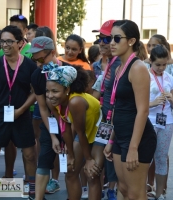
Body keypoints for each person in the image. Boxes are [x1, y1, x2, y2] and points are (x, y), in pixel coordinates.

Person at [103, 20, 157, 200]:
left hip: (138, 140)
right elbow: (118, 106)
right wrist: (111, 139)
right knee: (124, 189)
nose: (111, 43)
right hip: (120, 135)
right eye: (110, 38)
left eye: (117, 38)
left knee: (135, 193)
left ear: (131, 41)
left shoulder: (138, 68)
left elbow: (143, 111)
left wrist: (133, 147)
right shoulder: (119, 67)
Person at [0, 25, 37, 199]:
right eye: (2, 41)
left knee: (29, 155)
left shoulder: (29, 65)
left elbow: (35, 92)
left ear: (20, 43)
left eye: (9, 41)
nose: (4, 45)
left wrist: (21, 110)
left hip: (22, 116)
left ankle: (31, 189)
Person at [44, 63, 103, 200]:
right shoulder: (51, 101)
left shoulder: (76, 101)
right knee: (70, 172)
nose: (50, 95)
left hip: (99, 134)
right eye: (48, 91)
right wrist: (70, 154)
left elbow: (80, 132)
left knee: (91, 174)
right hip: (83, 134)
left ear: (67, 89)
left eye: (55, 91)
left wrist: (88, 159)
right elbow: (65, 128)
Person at [30, 36, 70, 200]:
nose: (39, 63)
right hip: (51, 123)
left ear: (53, 52)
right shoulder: (37, 75)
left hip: (70, 123)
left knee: (71, 167)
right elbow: (42, 108)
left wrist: (69, 136)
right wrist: (53, 136)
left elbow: (76, 104)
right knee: (44, 160)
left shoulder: (69, 71)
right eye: (35, 59)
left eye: (41, 58)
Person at [92, 19, 121, 200]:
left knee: (109, 162)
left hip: (115, 123)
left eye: (105, 38)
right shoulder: (109, 62)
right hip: (106, 121)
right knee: (99, 165)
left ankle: (112, 189)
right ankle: (109, 189)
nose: (100, 43)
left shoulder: (120, 65)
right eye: (99, 38)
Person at [144, 34, 171, 198]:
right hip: (148, 121)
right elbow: (135, 104)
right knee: (145, 159)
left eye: (164, 64)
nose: (161, 68)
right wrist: (152, 103)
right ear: (150, 61)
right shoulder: (145, 76)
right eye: (158, 64)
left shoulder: (170, 78)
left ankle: (160, 193)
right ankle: (141, 190)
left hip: (167, 122)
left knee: (161, 158)